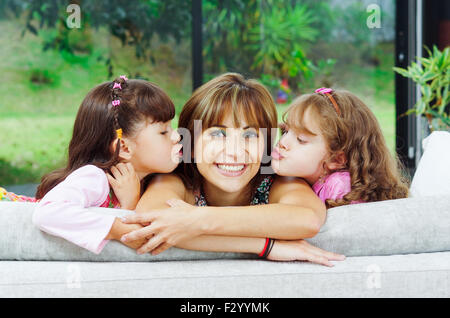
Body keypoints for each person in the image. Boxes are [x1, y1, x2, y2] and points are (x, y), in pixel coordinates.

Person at [119, 73, 345, 267]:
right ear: (191, 145)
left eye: (250, 135)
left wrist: (198, 220)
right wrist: (264, 246)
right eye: (218, 134)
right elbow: (151, 224)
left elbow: (307, 219)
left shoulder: (274, 181)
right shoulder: (180, 181)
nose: (235, 152)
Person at [31, 75, 182, 253]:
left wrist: (130, 205)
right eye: (164, 132)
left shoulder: (153, 184)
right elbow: (48, 213)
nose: (177, 136)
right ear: (124, 147)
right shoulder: (95, 178)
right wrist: (117, 229)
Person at [271, 87, 409, 207]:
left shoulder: (340, 187)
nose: (282, 142)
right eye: (286, 131)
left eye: (301, 139)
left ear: (336, 159)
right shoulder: (311, 178)